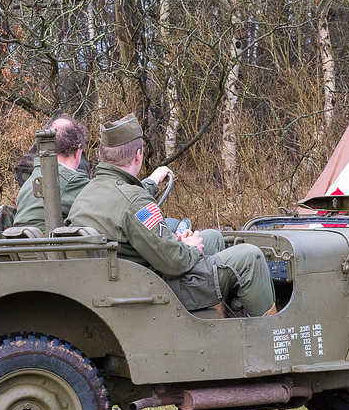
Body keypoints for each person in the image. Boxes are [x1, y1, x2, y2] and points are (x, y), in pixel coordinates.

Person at [67, 113, 277, 317]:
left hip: (118, 283)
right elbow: (174, 262)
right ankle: (270, 341)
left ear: (101, 155)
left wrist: (180, 245)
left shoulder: (86, 193)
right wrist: (190, 249)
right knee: (251, 257)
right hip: (152, 292)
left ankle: (216, 319)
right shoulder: (136, 202)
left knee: (212, 237)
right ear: (138, 155)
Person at [14, 114, 90, 231]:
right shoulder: (73, 181)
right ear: (77, 151)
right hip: (48, 247)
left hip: (24, 246)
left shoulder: (30, 180)